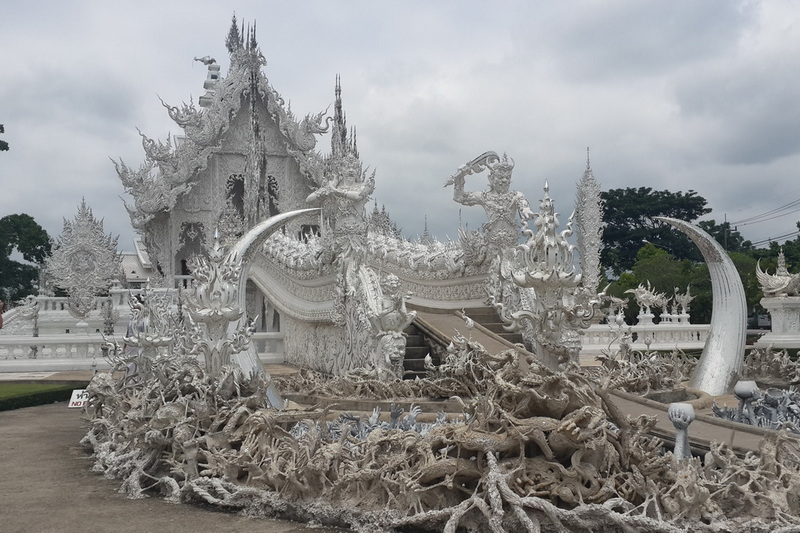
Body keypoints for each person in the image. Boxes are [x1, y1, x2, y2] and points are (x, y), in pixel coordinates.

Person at [452, 154, 534, 250]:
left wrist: (526, 209)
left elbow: (523, 203)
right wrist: (459, 178)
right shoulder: (484, 196)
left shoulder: (516, 195)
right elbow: (459, 197)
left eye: (508, 178)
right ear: (491, 178)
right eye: (500, 177)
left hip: (512, 246)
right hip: (491, 247)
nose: (504, 180)